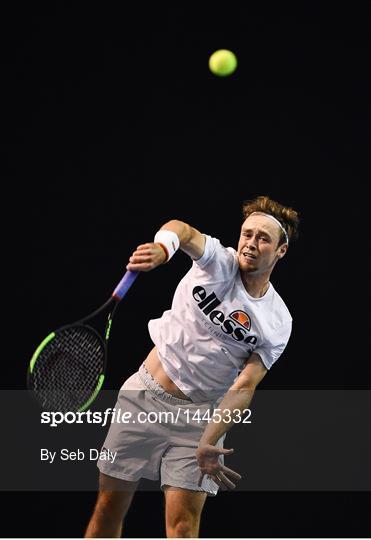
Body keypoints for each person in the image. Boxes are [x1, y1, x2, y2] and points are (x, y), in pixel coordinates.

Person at [84, 195, 299, 538]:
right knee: (108, 509)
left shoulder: (278, 321)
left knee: (183, 528)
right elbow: (181, 230)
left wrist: (209, 439)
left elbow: (244, 386)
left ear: (281, 250)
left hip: (199, 419)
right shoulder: (217, 262)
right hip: (143, 398)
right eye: (247, 234)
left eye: (263, 238)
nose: (251, 244)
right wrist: (164, 247)